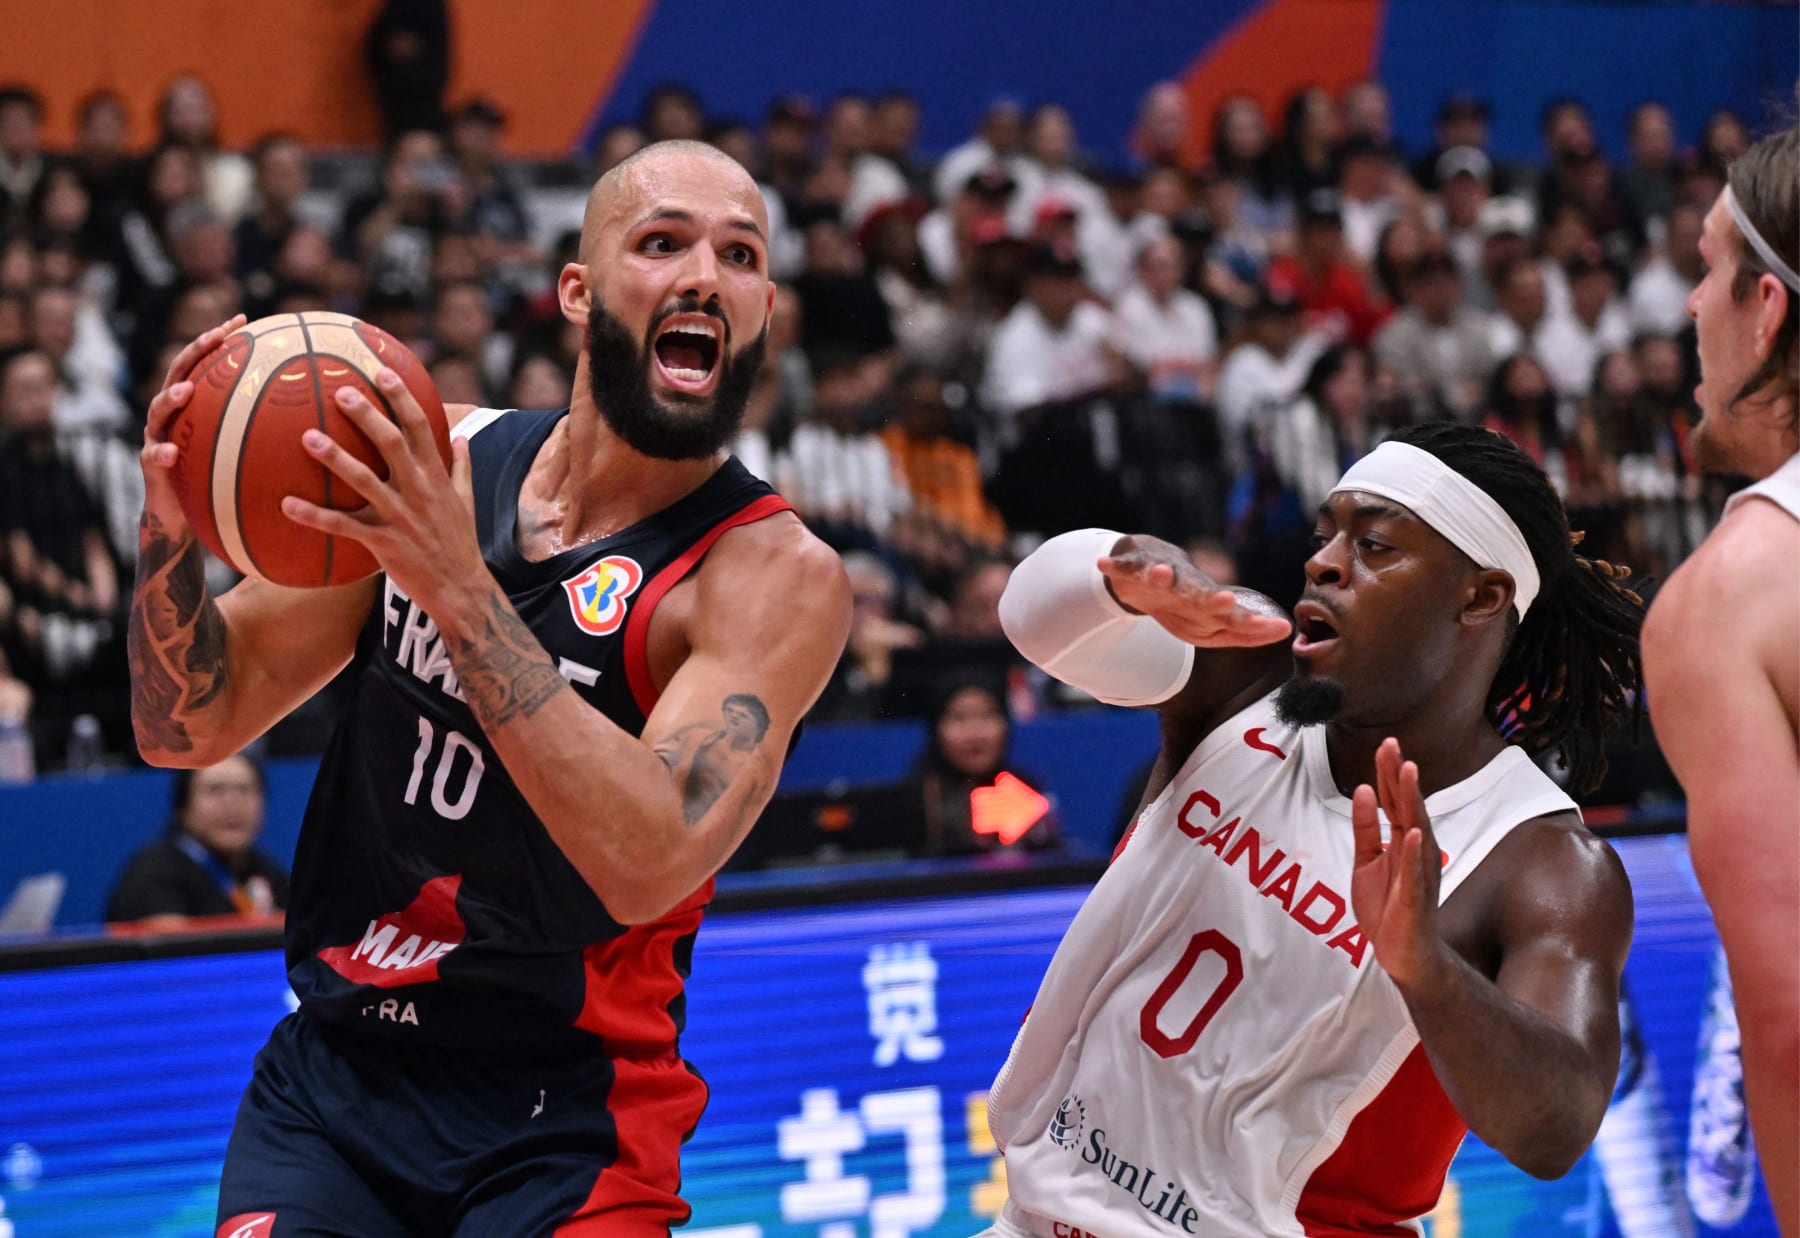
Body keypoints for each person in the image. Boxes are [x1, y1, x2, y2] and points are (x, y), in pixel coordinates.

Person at [127, 140, 851, 1234]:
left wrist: (459, 591)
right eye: (662, 243)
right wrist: (168, 538)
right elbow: (187, 721)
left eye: (740, 255)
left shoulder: (772, 575)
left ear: (763, 308)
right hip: (339, 1074)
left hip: (567, 1111)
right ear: (576, 290)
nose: (706, 274)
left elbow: (648, 858)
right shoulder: (441, 464)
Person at [978, 419, 1644, 1236]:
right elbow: (1031, 614)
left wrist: (1425, 967)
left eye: (1375, 547)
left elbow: (1557, 1127)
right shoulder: (1243, 674)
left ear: (1480, 597)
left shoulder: (1540, 860)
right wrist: (1127, 578)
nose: (1323, 561)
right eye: (1327, 534)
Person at [1641, 121, 1798, 1235]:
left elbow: (1789, 1012)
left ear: (1769, 307)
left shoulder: (1728, 596)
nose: (1693, 305)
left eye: (1708, 269)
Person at [106, 754, 288, 923]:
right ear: (183, 808)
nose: (233, 803)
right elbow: (167, 951)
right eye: (215, 790)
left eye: (245, 790)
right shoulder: (152, 876)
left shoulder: (268, 872)